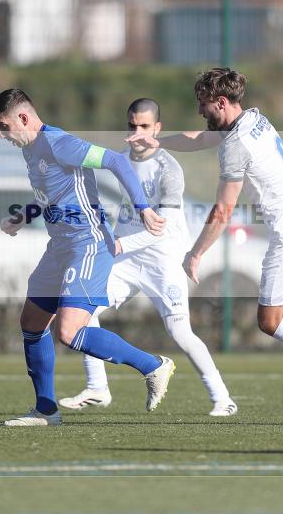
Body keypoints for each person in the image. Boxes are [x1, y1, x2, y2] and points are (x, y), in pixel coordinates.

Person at [127, 68, 283, 426]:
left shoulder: (235, 146)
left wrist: (195, 253)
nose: (200, 111)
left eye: (204, 104)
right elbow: (200, 139)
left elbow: (223, 209)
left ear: (221, 103)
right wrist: (159, 142)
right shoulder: (253, 119)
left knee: (270, 321)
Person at [0, 88, 176, 426]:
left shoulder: (58, 143)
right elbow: (53, 195)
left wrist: (144, 208)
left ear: (24, 118)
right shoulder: (31, 150)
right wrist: (22, 217)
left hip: (87, 244)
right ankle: (46, 410)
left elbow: (116, 161)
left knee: (70, 331)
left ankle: (154, 366)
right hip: (59, 246)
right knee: (31, 322)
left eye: (4, 127)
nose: (3, 135)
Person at [59, 98, 238, 417]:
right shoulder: (121, 160)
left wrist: (118, 245)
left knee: (181, 333)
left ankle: (222, 398)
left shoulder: (169, 169)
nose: (137, 133)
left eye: (144, 126)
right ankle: (98, 388)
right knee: (83, 312)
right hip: (127, 261)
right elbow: (125, 209)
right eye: (132, 126)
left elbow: (161, 230)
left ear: (157, 128)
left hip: (162, 260)